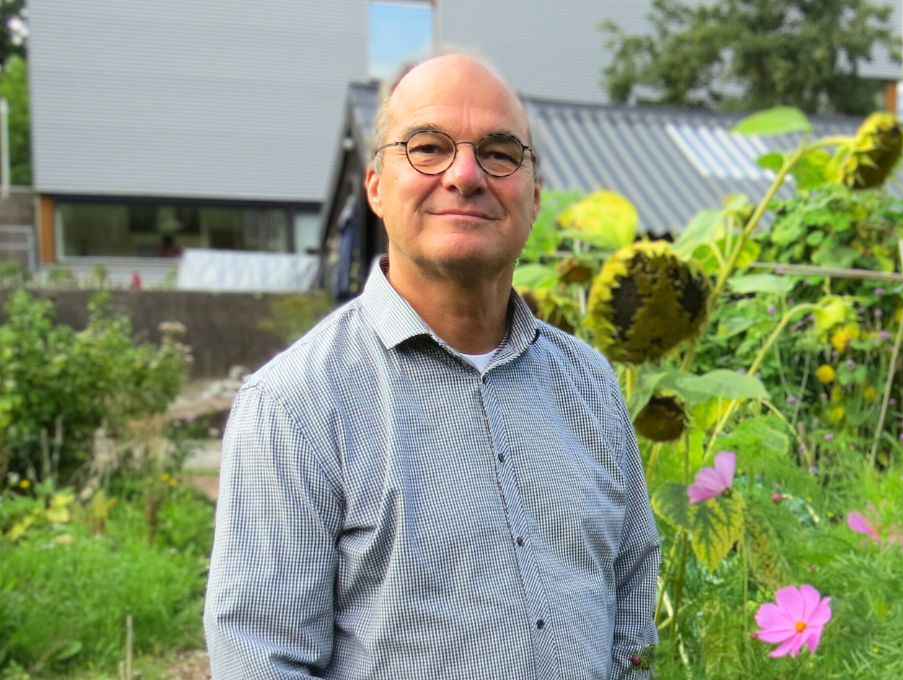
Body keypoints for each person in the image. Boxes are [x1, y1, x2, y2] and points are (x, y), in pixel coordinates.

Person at [204, 55, 661, 679]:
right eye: (428, 147)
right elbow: (264, 661)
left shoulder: (590, 385)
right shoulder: (295, 404)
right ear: (375, 186)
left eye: (500, 153)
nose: (466, 174)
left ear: (533, 195)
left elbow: (631, 597)